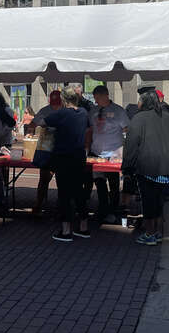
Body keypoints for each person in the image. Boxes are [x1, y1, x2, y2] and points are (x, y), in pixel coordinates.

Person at [123, 91, 169, 245]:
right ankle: (158, 233)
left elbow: (131, 145)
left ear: (143, 103)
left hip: (147, 168)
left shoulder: (139, 118)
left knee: (149, 202)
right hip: (166, 168)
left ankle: (150, 233)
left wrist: (127, 168)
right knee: (159, 202)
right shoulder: (166, 116)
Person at [45, 86, 91, 242]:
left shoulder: (61, 113)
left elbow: (43, 122)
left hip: (63, 157)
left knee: (64, 194)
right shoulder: (83, 113)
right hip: (79, 157)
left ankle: (66, 231)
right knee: (79, 192)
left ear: (64, 100)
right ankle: (83, 227)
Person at [86, 85, 129, 225]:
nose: (96, 100)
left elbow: (127, 129)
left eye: (97, 98)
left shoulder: (119, 111)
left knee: (114, 184)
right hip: (97, 152)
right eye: (95, 98)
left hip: (113, 153)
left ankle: (113, 210)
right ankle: (103, 208)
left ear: (106, 95)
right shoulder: (93, 111)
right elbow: (90, 130)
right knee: (99, 182)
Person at [31, 90, 63, 215]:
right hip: (46, 150)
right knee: (44, 179)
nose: (55, 107)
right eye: (53, 104)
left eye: (57, 104)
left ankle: (61, 206)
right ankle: (39, 204)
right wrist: (34, 129)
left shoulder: (65, 111)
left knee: (61, 180)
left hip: (61, 149)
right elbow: (32, 124)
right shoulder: (44, 111)